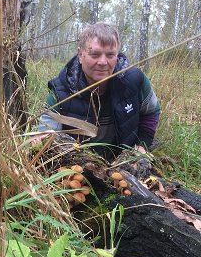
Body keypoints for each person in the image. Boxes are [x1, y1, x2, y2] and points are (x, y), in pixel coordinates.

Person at [38, 22, 160, 161]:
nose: (103, 62)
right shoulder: (60, 92)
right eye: (95, 54)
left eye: (110, 55)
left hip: (125, 165)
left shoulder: (134, 81)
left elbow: (151, 112)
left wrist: (142, 145)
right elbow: (47, 136)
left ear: (117, 55)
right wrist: (43, 140)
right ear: (80, 54)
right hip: (76, 168)